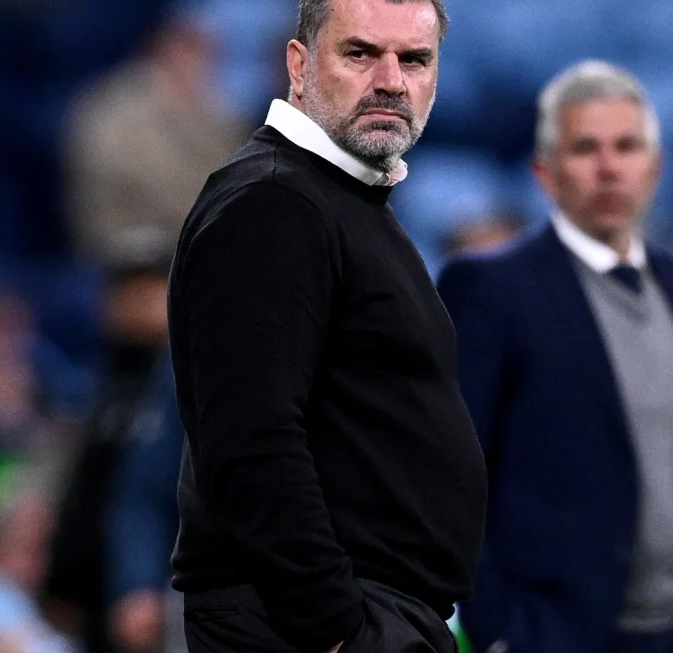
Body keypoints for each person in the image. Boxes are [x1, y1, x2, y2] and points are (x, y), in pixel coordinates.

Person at [165, 1, 487, 652]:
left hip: (363, 613)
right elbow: (251, 444)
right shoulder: (274, 204)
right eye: (361, 53)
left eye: (415, 59)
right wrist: (338, 628)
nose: (391, 80)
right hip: (306, 624)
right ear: (298, 65)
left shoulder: (337, 201)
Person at [436, 60, 673, 653]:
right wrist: (496, 628)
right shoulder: (491, 288)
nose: (607, 167)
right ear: (545, 172)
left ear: (655, 167)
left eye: (626, 146)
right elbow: (456, 472)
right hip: (555, 633)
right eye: (584, 148)